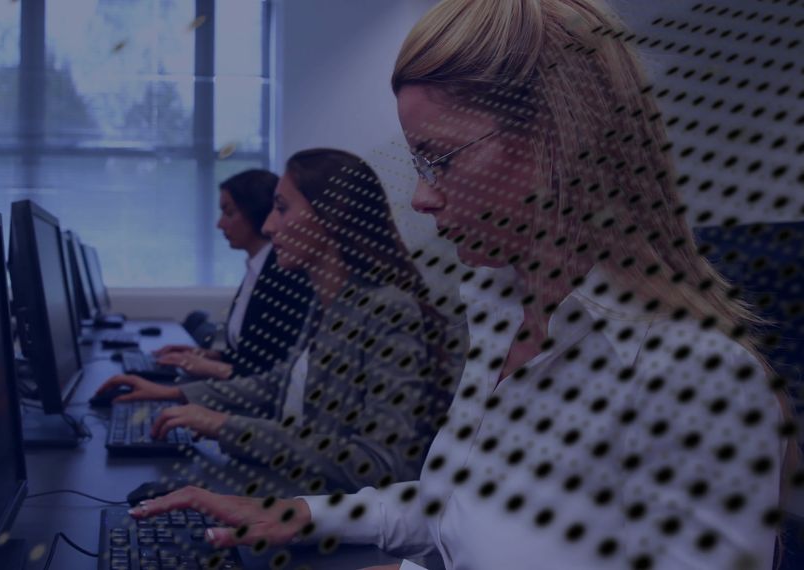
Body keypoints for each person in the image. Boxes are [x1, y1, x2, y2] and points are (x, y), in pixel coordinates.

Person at [124, 0, 797, 568]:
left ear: (563, 144)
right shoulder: (503, 317)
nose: (421, 197)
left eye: (440, 160)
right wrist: (297, 513)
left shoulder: (697, 379)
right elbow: (449, 506)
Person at [96, 148, 461, 492]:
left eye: (282, 209)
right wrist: (177, 396)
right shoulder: (328, 301)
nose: (269, 226)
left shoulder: (388, 310)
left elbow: (382, 463)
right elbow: (277, 385)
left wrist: (228, 426)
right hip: (295, 493)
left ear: (330, 217)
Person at [153, 169, 313, 380]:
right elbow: (251, 355)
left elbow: (272, 370)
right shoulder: (257, 267)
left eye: (229, 213)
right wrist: (206, 356)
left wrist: (209, 368)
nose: (220, 224)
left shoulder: (284, 275)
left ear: (257, 212)